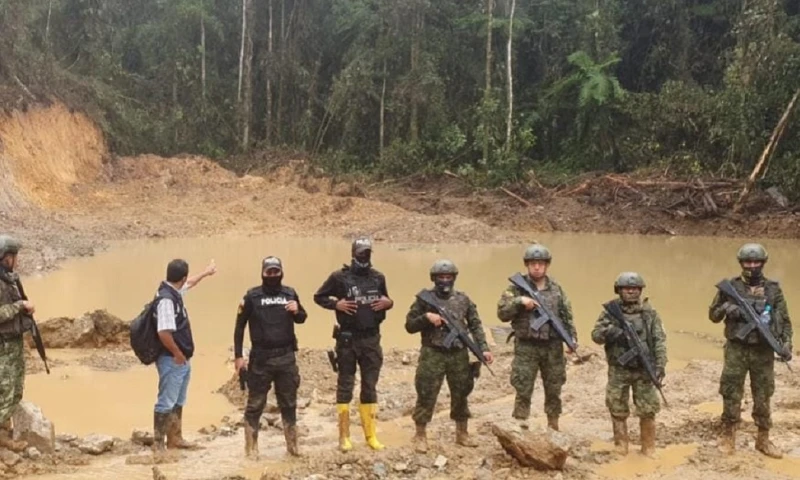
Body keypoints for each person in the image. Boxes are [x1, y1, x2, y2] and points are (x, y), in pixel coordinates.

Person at [708, 243, 792, 458]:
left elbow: (783, 319)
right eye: (748, 262)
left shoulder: (773, 289)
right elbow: (713, 315)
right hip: (737, 349)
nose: (752, 266)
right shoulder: (731, 287)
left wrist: (786, 344)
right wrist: (729, 308)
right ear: (741, 263)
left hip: (763, 351)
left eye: (756, 262)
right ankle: (728, 437)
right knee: (731, 391)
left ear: (763, 263)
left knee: (763, 394)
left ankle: (763, 439)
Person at [313, 237, 393, 452]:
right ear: (353, 254)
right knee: (345, 385)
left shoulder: (378, 277)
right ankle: (344, 436)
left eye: (367, 253)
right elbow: (318, 296)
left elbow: (386, 300)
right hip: (347, 339)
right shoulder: (339, 277)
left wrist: (390, 303)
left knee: (370, 385)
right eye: (360, 253)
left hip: (371, 339)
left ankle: (371, 435)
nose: (364, 257)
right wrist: (335, 303)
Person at [405, 259, 493, 453]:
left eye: (448, 277)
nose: (444, 281)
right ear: (434, 278)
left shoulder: (463, 299)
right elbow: (409, 326)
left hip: (458, 354)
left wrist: (483, 348)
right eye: (440, 277)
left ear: (454, 278)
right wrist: (426, 318)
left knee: (461, 393)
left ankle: (462, 433)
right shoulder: (424, 299)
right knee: (426, 393)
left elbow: (476, 325)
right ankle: (420, 435)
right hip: (432, 353)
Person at [496, 244, 577, 431]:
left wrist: (571, 338)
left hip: (553, 346)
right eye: (533, 263)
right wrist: (519, 302)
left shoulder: (557, 290)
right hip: (526, 346)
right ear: (527, 265)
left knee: (554, 387)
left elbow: (566, 316)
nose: (537, 267)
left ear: (547, 265)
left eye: (541, 263)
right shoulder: (515, 288)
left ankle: (553, 425)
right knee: (523, 386)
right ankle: (520, 425)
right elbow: (502, 313)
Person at [234, 256, 306, 458]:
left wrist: (297, 310)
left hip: (286, 358)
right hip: (260, 360)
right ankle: (251, 450)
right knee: (255, 405)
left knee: (289, 404)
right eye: (269, 272)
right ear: (263, 273)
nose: (273, 275)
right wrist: (238, 356)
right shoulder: (252, 296)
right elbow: (239, 326)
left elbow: (302, 318)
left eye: (276, 271)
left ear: (281, 272)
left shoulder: (289, 293)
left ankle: (293, 447)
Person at [591, 272, 667, 456]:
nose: (631, 292)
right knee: (616, 405)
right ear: (619, 290)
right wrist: (615, 333)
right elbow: (596, 335)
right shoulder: (610, 312)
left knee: (648, 408)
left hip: (643, 368)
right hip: (619, 368)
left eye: (634, 289)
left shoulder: (649, 313)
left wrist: (660, 365)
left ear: (640, 290)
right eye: (626, 288)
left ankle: (648, 447)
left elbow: (659, 340)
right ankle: (620, 445)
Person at [152, 258, 217, 453]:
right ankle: (158, 445)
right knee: (166, 401)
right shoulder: (166, 300)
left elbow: (189, 284)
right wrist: (178, 354)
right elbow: (163, 332)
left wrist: (205, 273)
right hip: (171, 358)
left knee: (178, 400)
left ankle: (175, 438)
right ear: (182, 276)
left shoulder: (174, 290)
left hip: (180, 359)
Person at [0, 235, 34, 452]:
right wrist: (20, 306)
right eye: (15, 256)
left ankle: (5, 432)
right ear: (6, 257)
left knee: (14, 389)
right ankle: (2, 438)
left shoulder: (8, 279)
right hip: (3, 346)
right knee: (4, 391)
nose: (17, 260)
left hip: (13, 343)